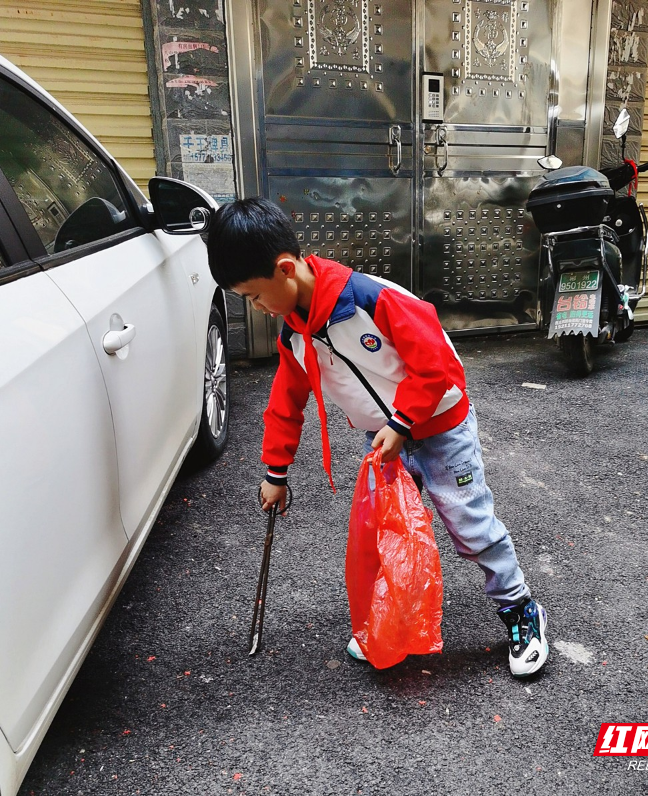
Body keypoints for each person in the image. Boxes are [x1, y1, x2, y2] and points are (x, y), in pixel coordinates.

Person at [206, 197, 549, 677]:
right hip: (385, 442)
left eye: (253, 296)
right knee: (388, 534)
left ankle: (521, 610)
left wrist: (401, 422)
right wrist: (275, 472)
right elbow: (285, 406)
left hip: (440, 429)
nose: (258, 309)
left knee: (470, 526)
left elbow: (440, 366)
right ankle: (392, 624)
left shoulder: (369, 299)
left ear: (285, 269)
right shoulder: (295, 336)